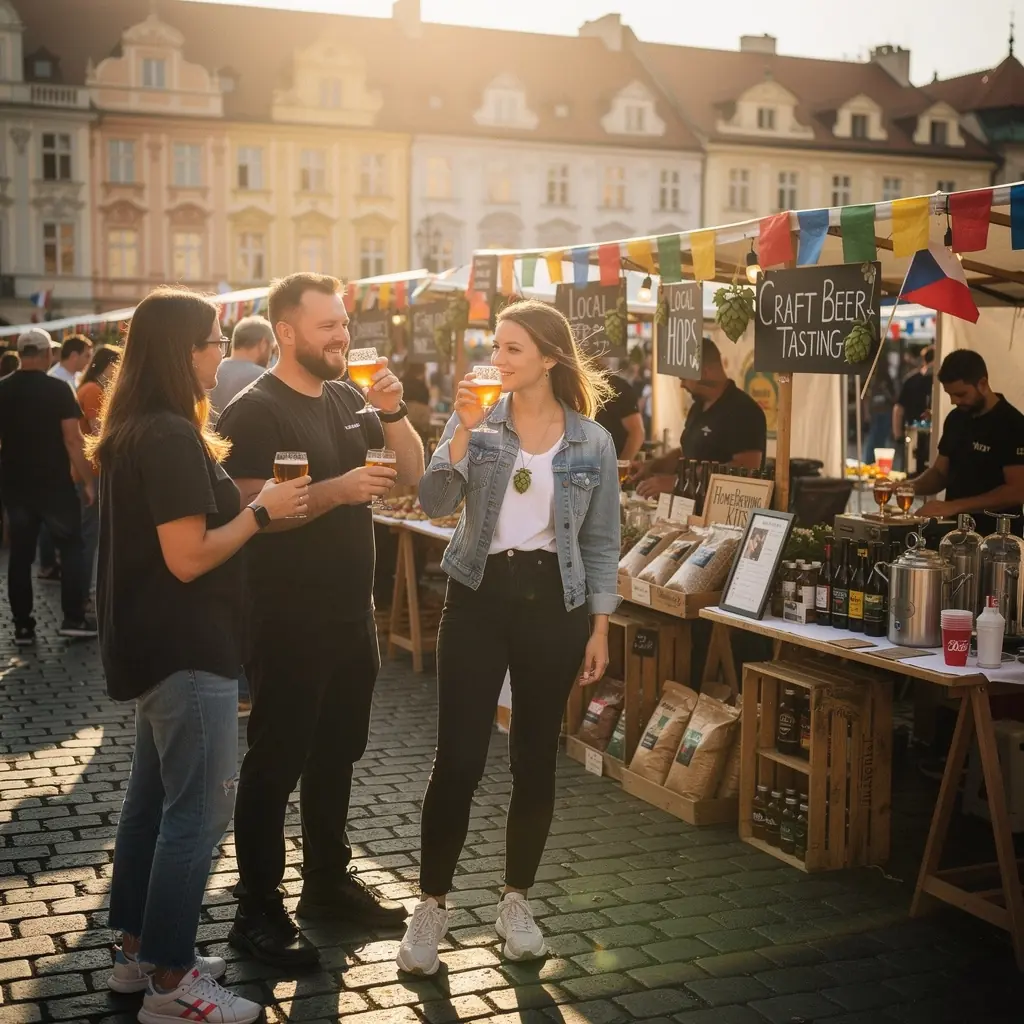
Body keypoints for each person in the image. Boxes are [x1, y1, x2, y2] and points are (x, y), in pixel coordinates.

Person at [90, 287, 309, 1023]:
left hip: (156, 647)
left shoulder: (140, 429)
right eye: (212, 340)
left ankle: (138, 954)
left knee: (150, 807)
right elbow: (188, 558)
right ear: (178, 351)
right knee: (198, 817)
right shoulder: (168, 436)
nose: (222, 352)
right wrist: (261, 512)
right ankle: (171, 984)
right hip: (187, 648)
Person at [397, 299, 620, 976]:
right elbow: (433, 501)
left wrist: (601, 627)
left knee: (534, 759)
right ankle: (431, 906)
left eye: (512, 349)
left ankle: (515, 901)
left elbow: (604, 540)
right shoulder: (478, 422)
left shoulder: (592, 442)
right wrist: (460, 432)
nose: (496, 360)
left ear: (549, 357)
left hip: (556, 603)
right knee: (459, 760)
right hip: (478, 595)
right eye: (496, 347)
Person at [217, 272, 424, 968]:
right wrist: (334, 492)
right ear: (286, 331)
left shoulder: (347, 397)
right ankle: (257, 909)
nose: (342, 335)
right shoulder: (253, 410)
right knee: (275, 761)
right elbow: (245, 507)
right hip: (285, 616)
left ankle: (327, 888)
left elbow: (412, 475)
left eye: (344, 324)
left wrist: (392, 413)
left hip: (349, 613)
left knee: (338, 753)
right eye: (328, 325)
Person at [0, 328, 96, 645]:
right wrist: (87, 481)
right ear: (45, 354)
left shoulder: (3, 389)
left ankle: (23, 627)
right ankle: (73, 618)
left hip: (16, 486)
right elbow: (73, 439)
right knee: (71, 550)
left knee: (21, 557)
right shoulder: (57, 390)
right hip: (54, 485)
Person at [634, 336, 767, 498]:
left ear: (705, 372)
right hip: (686, 510)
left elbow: (745, 468)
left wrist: (677, 482)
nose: (681, 385)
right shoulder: (698, 406)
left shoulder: (744, 411)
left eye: (684, 378)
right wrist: (652, 466)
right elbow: (686, 452)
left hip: (721, 513)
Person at [913, 350, 1024, 535]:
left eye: (961, 394)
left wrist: (954, 506)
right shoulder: (956, 418)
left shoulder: (1013, 424)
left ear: (982, 383)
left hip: (998, 541)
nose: (954, 400)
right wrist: (907, 487)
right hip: (954, 536)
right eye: (949, 394)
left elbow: (1017, 491)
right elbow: (940, 473)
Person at [77, 345, 122, 600]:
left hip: (89, 469)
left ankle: (84, 593)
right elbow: (98, 431)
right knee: (91, 537)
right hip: (93, 471)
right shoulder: (94, 390)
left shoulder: (90, 388)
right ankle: (84, 595)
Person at [208, 316, 274, 421]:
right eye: (272, 349)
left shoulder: (210, 370)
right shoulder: (265, 379)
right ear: (263, 344)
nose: (271, 356)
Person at [893, 346, 934, 475]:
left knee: (911, 471)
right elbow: (899, 409)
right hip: (916, 434)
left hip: (913, 433)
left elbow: (898, 409)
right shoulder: (917, 380)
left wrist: (898, 435)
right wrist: (898, 435)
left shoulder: (911, 379)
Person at [595, 361, 645, 461]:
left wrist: (620, 467)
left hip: (610, 462)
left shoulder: (618, 387)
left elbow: (637, 432)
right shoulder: (570, 387)